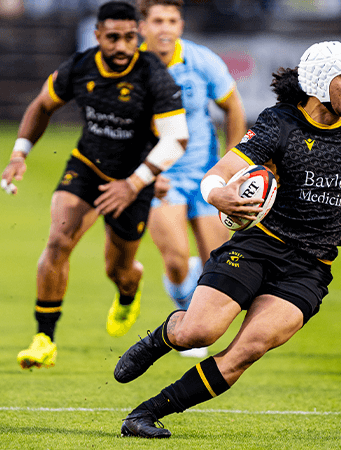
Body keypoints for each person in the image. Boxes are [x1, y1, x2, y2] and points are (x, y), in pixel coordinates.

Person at [113, 41, 341, 438]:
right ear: (320, 83)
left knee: (246, 351)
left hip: (310, 267)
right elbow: (220, 172)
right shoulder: (279, 123)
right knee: (198, 333)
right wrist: (217, 195)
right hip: (257, 248)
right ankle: (162, 338)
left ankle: (145, 414)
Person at [0, 1, 188, 370]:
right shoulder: (80, 66)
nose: (121, 47)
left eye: (129, 38)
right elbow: (42, 105)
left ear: (139, 36)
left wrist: (133, 184)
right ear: (97, 35)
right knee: (58, 241)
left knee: (118, 269)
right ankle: (44, 339)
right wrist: (19, 153)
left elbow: (177, 139)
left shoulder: (153, 74)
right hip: (87, 166)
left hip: (134, 178)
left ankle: (129, 290)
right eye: (113, 37)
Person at [137, 0, 247, 357]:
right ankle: (185, 315)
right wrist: (143, 171)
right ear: (142, 27)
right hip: (161, 176)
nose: (165, 28)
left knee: (216, 261)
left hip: (206, 174)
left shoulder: (200, 61)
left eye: (172, 20)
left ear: (180, 25)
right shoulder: (132, 68)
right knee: (175, 261)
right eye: (157, 21)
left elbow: (233, 106)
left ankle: (195, 322)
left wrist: (232, 164)